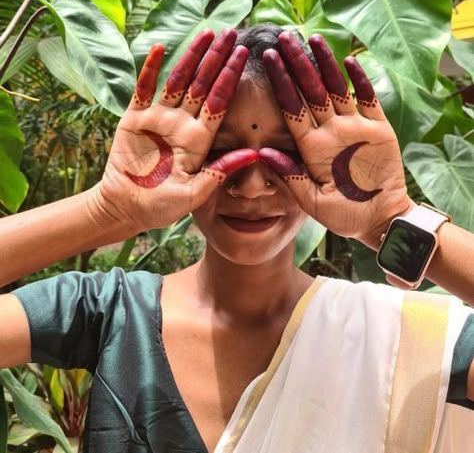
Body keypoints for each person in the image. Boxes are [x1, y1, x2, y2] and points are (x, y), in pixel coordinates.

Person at [0, 24, 473, 453]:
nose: (250, 186)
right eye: (221, 152)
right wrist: (107, 210)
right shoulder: (110, 312)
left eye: (284, 156)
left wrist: (392, 216)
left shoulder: (397, 340)